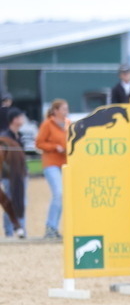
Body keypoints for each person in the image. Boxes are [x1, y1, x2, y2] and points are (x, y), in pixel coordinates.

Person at [35, 99, 69, 240]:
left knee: (63, 196)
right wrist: (55, 147)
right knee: (58, 193)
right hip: (51, 163)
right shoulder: (47, 124)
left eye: (66, 108)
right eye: (63, 109)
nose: (66, 111)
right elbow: (39, 143)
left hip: (65, 164)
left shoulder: (68, 124)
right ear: (55, 110)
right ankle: (50, 227)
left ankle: (54, 228)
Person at [1, 107, 28, 238]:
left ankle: (19, 229)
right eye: (21, 117)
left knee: (20, 200)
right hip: (8, 175)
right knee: (10, 200)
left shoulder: (20, 136)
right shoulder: (5, 137)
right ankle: (10, 231)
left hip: (20, 174)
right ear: (15, 119)